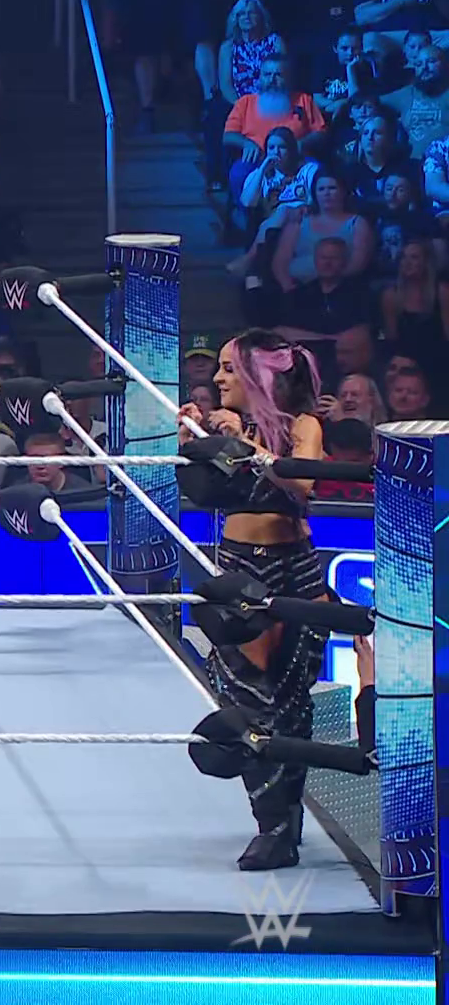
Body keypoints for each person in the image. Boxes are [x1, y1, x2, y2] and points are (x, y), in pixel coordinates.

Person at [177, 328, 329, 872]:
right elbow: (204, 490)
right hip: (240, 565)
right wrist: (194, 443)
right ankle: (271, 826)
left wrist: (246, 447)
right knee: (248, 702)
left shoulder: (302, 426)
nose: (217, 378)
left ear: (258, 375)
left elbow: (302, 488)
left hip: (294, 569)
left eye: (228, 368)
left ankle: (286, 818)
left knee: (291, 702)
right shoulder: (226, 424)